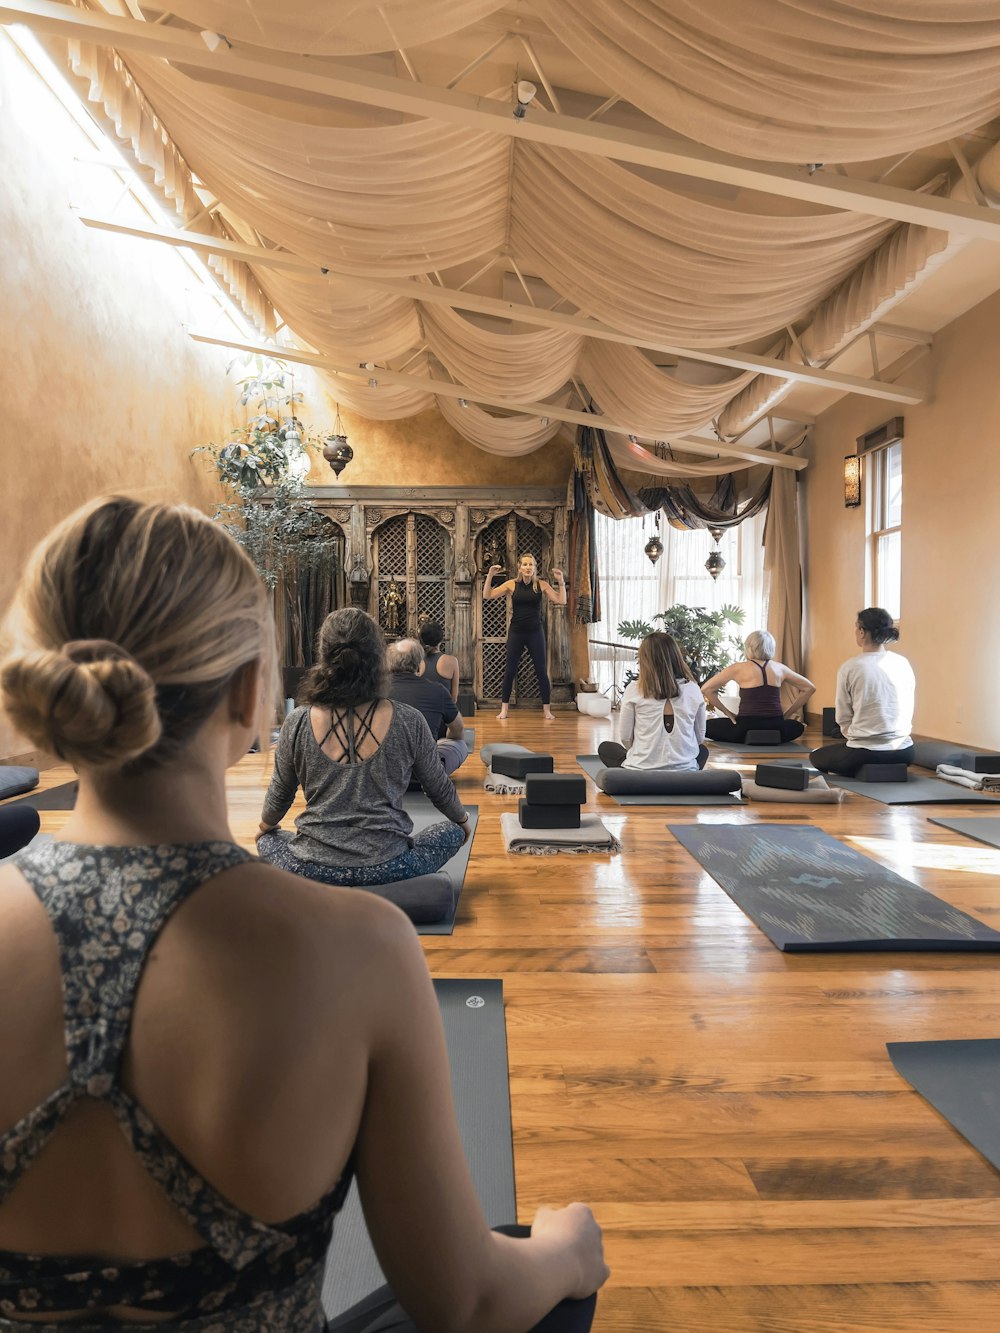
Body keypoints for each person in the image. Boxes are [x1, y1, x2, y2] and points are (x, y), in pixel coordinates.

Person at [0, 497, 607, 1331]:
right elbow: (467, 1301)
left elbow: (272, 823)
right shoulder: (363, 948)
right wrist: (569, 1248)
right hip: (367, 885)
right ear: (254, 692)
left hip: (298, 857)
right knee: (531, 1264)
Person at [257, 609, 469, 886]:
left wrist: (264, 829)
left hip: (311, 868)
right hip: (389, 867)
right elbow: (438, 787)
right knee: (452, 832)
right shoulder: (409, 720)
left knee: (270, 840)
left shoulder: (296, 721)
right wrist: (463, 821)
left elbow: (280, 794)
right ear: (378, 658)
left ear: (324, 657)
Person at [810, 606, 915, 776]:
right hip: (904, 752)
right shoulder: (903, 663)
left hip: (864, 752)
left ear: (861, 632)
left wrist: (856, 737)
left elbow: (843, 717)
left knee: (816, 756)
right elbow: (908, 705)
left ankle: (856, 767)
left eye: (856, 627)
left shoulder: (850, 667)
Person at [597, 631, 709, 771]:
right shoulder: (693, 689)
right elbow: (699, 738)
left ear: (644, 659)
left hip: (640, 772)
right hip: (684, 773)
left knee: (606, 748)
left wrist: (646, 753)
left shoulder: (634, 689)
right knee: (702, 751)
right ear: (676, 657)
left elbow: (626, 738)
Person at [484, 553, 566, 721]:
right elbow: (487, 595)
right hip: (516, 632)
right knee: (510, 671)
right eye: (525, 564)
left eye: (531, 565)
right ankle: (504, 709)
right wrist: (490, 576)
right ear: (520, 567)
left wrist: (561, 581)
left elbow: (561, 600)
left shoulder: (540, 585)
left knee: (542, 671)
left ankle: (547, 710)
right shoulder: (512, 585)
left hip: (535, 632)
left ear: (534, 568)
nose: (528, 567)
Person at [701, 630, 815, 744]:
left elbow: (706, 689)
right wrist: (787, 714)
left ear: (749, 648)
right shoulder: (780, 668)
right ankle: (770, 737)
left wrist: (728, 713)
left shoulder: (737, 668)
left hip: (745, 727)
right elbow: (809, 688)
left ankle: (748, 736)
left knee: (705, 726)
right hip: (776, 726)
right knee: (798, 727)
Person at [387, 637, 469, 776]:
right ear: (420, 664)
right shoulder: (438, 690)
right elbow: (458, 730)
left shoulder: (375, 691)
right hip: (426, 775)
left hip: (387, 775)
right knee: (461, 745)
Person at [419, 620, 460, 706]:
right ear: (440, 639)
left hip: (421, 714)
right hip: (442, 714)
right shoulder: (452, 661)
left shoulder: (417, 661)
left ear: (422, 639)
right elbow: (454, 699)